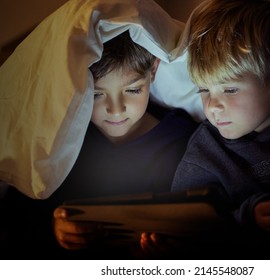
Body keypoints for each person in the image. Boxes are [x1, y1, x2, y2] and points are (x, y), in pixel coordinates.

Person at [141, 0, 270, 259]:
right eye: (204, 90)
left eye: (230, 89)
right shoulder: (206, 153)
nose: (214, 107)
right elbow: (190, 228)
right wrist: (246, 219)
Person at [1, 31, 197, 259]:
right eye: (96, 95)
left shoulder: (183, 143)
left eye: (133, 90)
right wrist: (55, 229)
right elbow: (21, 212)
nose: (116, 110)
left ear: (153, 71)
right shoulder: (61, 141)